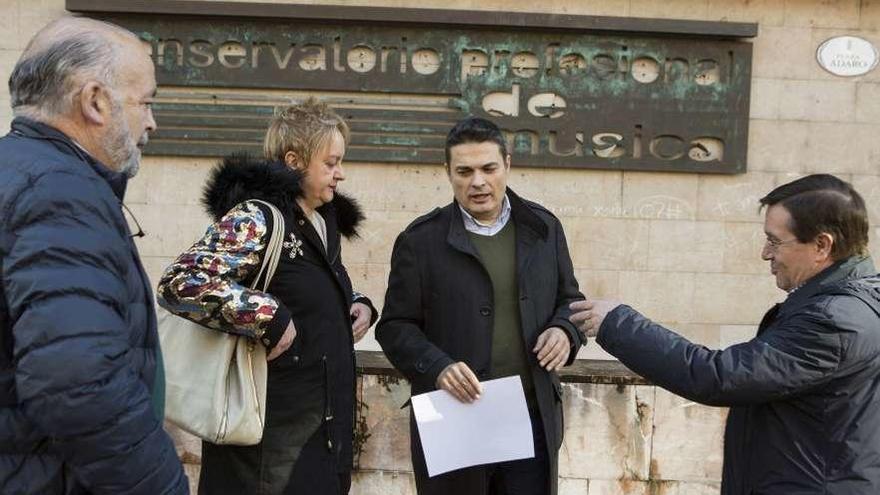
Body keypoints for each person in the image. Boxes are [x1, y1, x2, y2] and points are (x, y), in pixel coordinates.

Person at [571, 174, 880, 494]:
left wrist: (617, 324)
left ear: (821, 245)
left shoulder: (833, 321)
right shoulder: (854, 301)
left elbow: (719, 376)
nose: (765, 254)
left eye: (775, 241)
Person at [0, 16, 189, 494]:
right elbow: (77, 383)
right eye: (145, 102)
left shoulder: (20, 173)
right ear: (95, 101)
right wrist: (162, 486)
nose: (151, 122)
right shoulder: (59, 192)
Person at [157, 98, 377, 494]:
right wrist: (267, 316)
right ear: (294, 161)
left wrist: (356, 303)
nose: (340, 174)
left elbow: (305, 285)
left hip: (322, 433)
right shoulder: (256, 217)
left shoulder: (321, 219)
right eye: (330, 163)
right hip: (266, 443)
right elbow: (181, 282)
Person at [376, 117, 585, 495]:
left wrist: (565, 331)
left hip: (531, 421)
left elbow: (570, 301)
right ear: (447, 172)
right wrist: (437, 367)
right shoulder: (420, 241)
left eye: (488, 168)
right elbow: (394, 327)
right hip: (455, 424)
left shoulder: (544, 229)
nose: (478, 182)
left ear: (507, 163)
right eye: (464, 171)